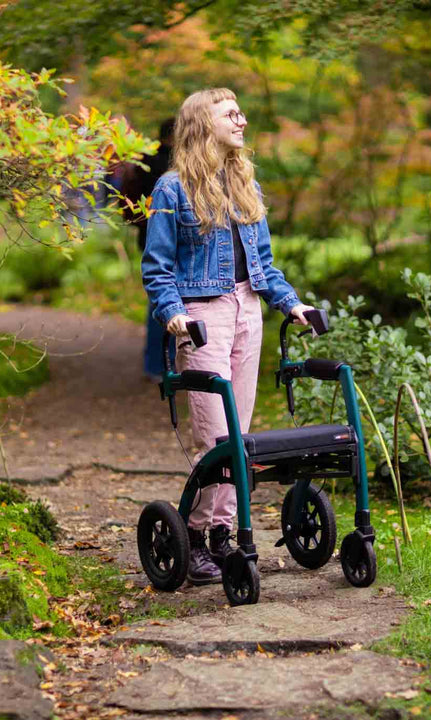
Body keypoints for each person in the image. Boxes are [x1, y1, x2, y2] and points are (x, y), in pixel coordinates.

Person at [141, 88, 315, 585]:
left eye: (240, 112)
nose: (241, 120)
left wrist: (291, 303)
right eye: (229, 113)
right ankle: (194, 535)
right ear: (202, 123)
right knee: (215, 436)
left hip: (248, 310)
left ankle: (222, 536)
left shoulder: (245, 184)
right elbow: (157, 267)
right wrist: (173, 313)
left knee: (238, 438)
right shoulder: (172, 190)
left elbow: (264, 265)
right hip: (202, 315)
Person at [124, 118, 177, 382]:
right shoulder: (175, 165)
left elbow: (129, 201)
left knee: (158, 300)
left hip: (148, 238)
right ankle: (169, 365)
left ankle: (155, 365)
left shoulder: (146, 160)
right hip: (175, 242)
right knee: (172, 301)